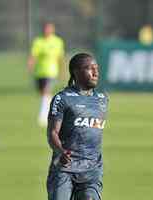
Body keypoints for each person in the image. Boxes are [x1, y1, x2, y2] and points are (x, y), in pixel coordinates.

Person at [46, 53, 109, 200]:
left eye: (96, 68)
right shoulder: (62, 98)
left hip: (91, 171)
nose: (95, 72)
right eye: (89, 68)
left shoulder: (102, 99)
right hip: (64, 169)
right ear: (76, 71)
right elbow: (52, 133)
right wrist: (60, 151)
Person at [28, 22, 65, 126]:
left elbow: (60, 57)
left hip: (52, 72)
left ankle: (43, 117)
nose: (47, 31)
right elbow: (33, 55)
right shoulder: (38, 41)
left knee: (46, 92)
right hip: (40, 72)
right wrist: (30, 65)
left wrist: (62, 71)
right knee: (43, 94)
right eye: (45, 29)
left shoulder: (57, 41)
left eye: (49, 29)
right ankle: (52, 112)